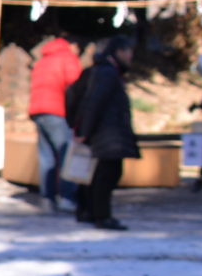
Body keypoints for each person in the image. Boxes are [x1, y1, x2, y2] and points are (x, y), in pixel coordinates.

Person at [70, 33, 138, 230]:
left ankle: (88, 211)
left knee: (95, 173)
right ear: (119, 52)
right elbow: (94, 102)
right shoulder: (107, 73)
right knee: (105, 174)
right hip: (108, 132)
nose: (131, 56)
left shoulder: (100, 71)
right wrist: (84, 129)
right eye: (129, 51)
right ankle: (101, 215)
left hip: (104, 131)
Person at [26, 26, 84, 213]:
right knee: (66, 154)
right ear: (73, 46)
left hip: (37, 110)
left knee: (46, 157)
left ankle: (47, 197)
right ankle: (66, 197)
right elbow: (76, 88)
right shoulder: (68, 58)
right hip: (57, 111)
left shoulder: (43, 60)